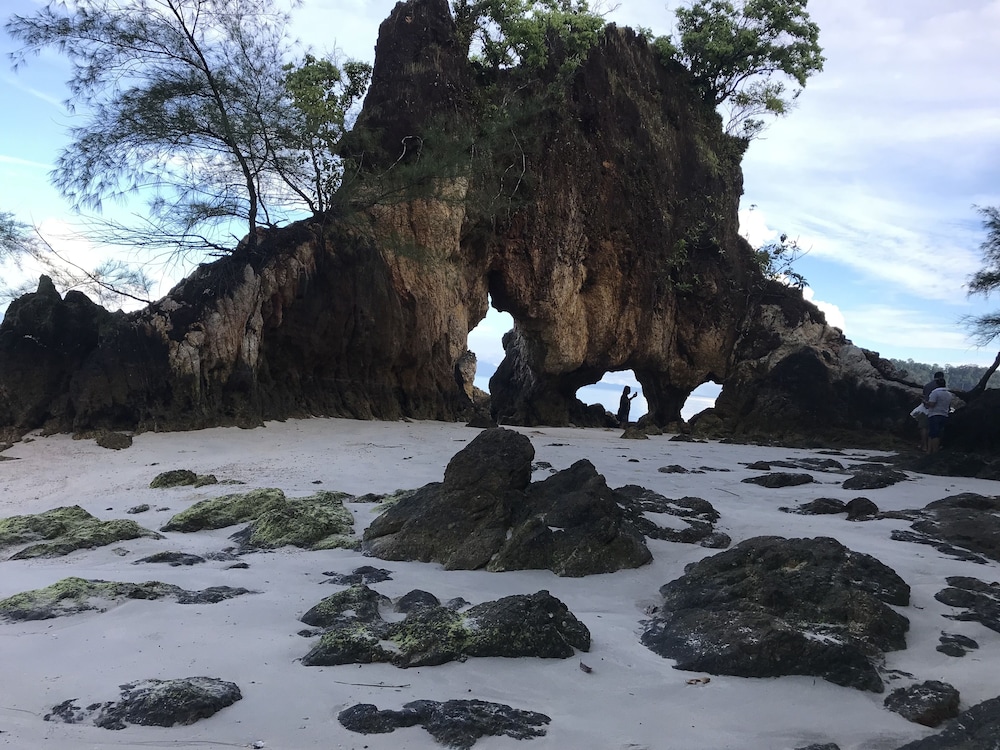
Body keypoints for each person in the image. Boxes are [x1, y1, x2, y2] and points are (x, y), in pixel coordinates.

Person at [914, 370, 944, 452]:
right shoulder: (940, 386)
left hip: (925, 408)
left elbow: (924, 395)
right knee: (934, 430)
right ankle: (933, 448)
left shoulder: (927, 385)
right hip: (937, 410)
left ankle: (924, 446)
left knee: (924, 427)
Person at [923, 376, 953, 454]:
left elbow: (932, 404)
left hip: (934, 414)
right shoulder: (949, 394)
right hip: (944, 414)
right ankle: (930, 451)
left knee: (934, 434)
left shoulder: (935, 393)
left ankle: (935, 451)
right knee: (938, 433)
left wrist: (925, 402)